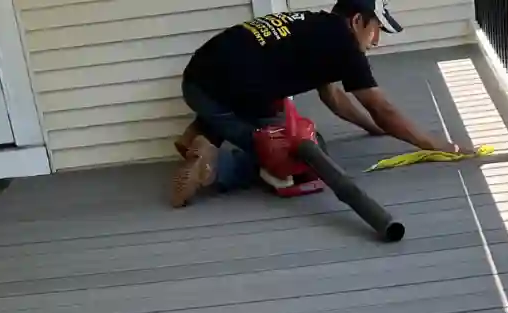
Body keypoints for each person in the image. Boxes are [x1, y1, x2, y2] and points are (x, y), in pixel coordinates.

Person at [171, 0, 464, 206]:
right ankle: (214, 168)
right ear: (358, 20)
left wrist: (373, 128)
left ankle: (200, 133)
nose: (375, 42)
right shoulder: (344, 45)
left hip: (198, 79)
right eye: (375, 30)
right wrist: (434, 144)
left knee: (265, 102)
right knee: (305, 152)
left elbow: (333, 96)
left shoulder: (317, 28)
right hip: (220, 92)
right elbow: (380, 106)